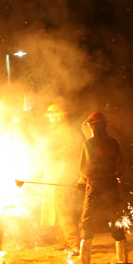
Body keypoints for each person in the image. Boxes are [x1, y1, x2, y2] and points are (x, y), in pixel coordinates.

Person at [77, 111, 128, 264]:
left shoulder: (88, 144)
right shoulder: (114, 142)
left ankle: (84, 260)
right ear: (105, 125)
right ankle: (123, 258)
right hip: (111, 184)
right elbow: (121, 168)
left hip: (95, 185)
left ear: (92, 126)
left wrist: (83, 181)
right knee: (116, 217)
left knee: (87, 220)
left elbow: (84, 168)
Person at [40, 103, 82, 251]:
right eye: (49, 114)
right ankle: (62, 240)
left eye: (53, 114)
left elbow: (70, 147)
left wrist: (55, 155)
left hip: (62, 170)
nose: (50, 117)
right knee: (53, 207)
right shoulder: (53, 130)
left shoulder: (64, 130)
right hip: (53, 170)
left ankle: (73, 242)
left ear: (60, 116)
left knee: (62, 206)